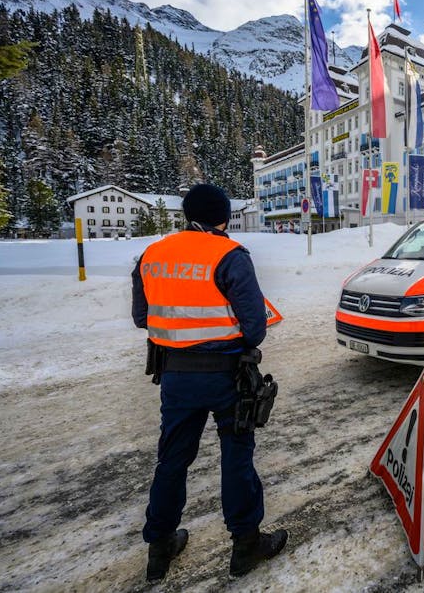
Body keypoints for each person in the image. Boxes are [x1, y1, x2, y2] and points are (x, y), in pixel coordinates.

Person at [131, 184, 287, 581]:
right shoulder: (230, 255)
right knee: (236, 456)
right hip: (227, 375)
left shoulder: (151, 255)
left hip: (175, 375)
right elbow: (254, 328)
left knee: (172, 460)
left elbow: (142, 317)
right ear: (223, 218)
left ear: (187, 215)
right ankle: (245, 545)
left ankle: (160, 546)